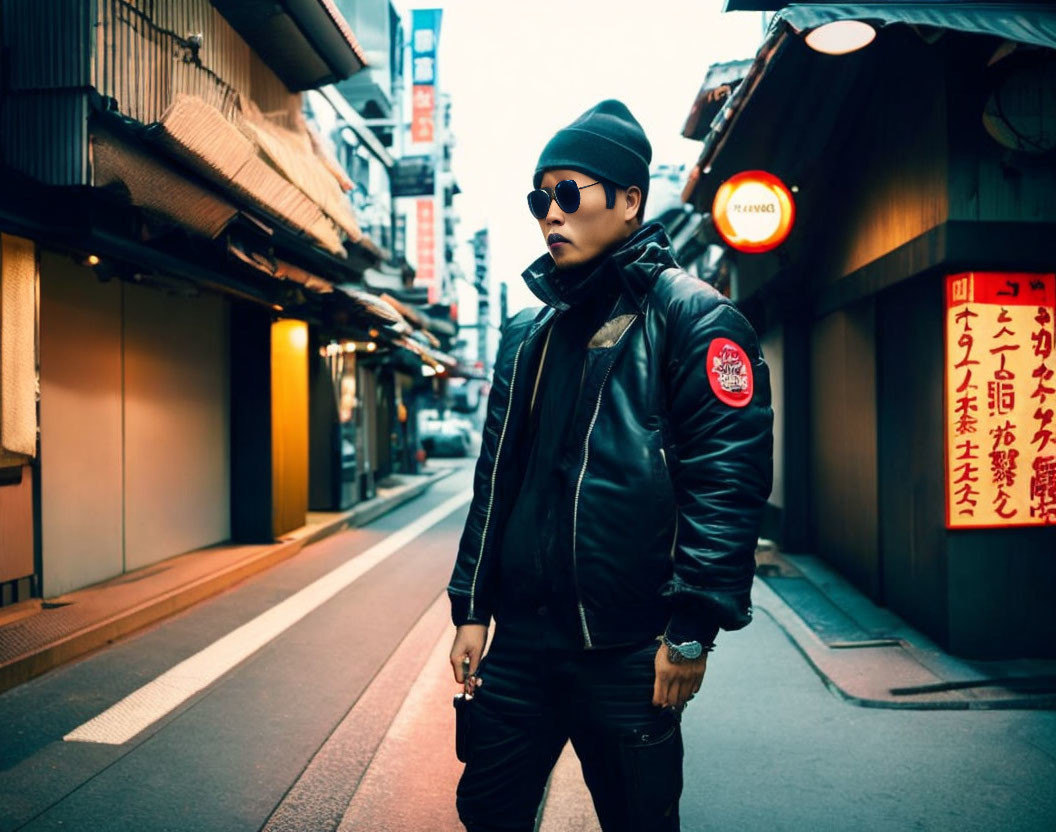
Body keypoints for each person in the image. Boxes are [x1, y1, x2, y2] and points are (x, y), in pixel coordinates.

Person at [447, 99, 773, 832]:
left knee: (639, 819)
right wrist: (471, 607)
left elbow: (729, 482)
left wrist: (691, 628)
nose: (551, 215)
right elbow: (496, 482)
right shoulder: (527, 333)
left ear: (630, 201)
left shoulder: (694, 318)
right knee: (487, 810)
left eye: (570, 193)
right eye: (541, 197)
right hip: (523, 643)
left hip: (627, 648)